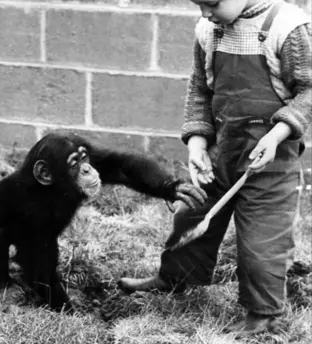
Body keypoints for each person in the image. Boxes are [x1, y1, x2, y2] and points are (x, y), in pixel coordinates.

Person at [118, 0, 312, 337]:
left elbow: (309, 90)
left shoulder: (288, 28)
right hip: (221, 151)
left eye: (212, 4)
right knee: (191, 212)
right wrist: (196, 143)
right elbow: (200, 90)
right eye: (198, 4)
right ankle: (175, 278)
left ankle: (263, 315)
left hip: (271, 160)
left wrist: (278, 133)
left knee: (261, 242)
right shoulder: (209, 30)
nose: (205, 13)